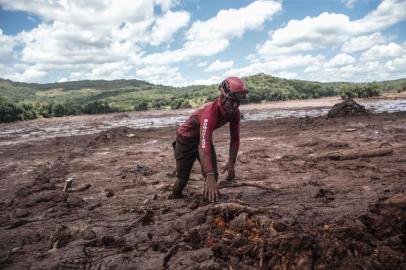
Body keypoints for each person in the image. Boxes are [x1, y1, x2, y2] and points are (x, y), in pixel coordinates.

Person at [170, 77, 247, 202]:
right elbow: (203, 146)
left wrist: (231, 163)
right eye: (232, 101)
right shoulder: (209, 113)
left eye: (238, 102)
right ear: (222, 97)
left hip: (204, 137)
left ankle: (208, 201)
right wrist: (209, 175)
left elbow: (235, 139)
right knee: (182, 178)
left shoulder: (234, 113)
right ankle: (174, 197)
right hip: (186, 139)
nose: (235, 106)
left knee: (213, 175)